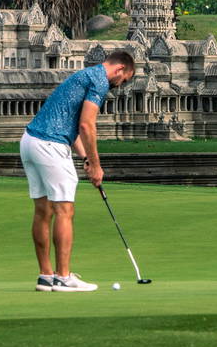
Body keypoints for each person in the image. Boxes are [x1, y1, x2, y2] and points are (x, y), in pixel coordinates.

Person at [20, 51, 138, 292]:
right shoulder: (100, 81)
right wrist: (96, 165)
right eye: (123, 80)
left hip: (30, 141)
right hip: (51, 146)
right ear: (119, 70)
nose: (120, 85)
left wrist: (85, 158)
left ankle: (46, 276)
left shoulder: (83, 75)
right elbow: (86, 124)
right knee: (64, 209)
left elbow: (71, 125)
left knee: (43, 210)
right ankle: (63, 278)